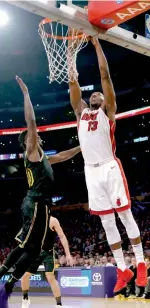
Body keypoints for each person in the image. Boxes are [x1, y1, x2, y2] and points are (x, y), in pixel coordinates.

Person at [0, 76, 81, 308]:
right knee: (31, 248)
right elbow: (32, 121)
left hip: (40, 206)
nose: (36, 136)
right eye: (32, 136)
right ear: (28, 140)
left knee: (28, 248)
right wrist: (27, 95)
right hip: (36, 203)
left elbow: (65, 155)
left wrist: (83, 144)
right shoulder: (32, 152)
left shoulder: (45, 157)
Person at [68, 36, 147, 294]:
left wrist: (97, 45)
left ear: (104, 100)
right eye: (93, 94)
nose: (95, 94)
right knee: (107, 223)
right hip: (90, 171)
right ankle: (123, 269)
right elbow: (73, 83)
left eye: (98, 94)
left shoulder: (108, 110)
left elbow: (104, 75)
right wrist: (70, 55)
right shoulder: (80, 112)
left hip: (109, 166)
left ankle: (141, 263)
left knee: (124, 214)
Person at [21, 215, 73, 308]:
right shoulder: (32, 220)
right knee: (25, 275)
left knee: (50, 276)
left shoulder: (53, 220)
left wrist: (68, 254)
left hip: (48, 253)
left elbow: (62, 236)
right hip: (34, 252)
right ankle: (25, 299)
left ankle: (59, 304)